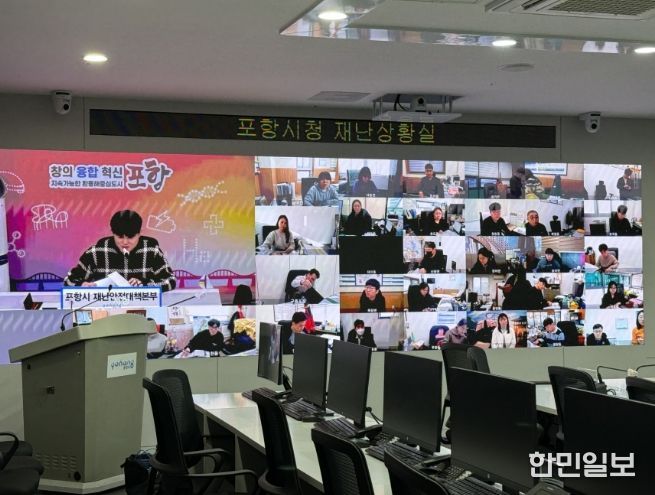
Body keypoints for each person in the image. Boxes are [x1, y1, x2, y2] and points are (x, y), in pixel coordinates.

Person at [64, 210, 176, 291]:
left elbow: (170, 281)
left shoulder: (152, 251)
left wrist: (144, 284)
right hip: (104, 309)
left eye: (130, 237)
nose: (125, 242)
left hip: (142, 307)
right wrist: (82, 285)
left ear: (139, 233)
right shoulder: (95, 253)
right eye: (120, 237)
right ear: (113, 233)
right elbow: (69, 281)